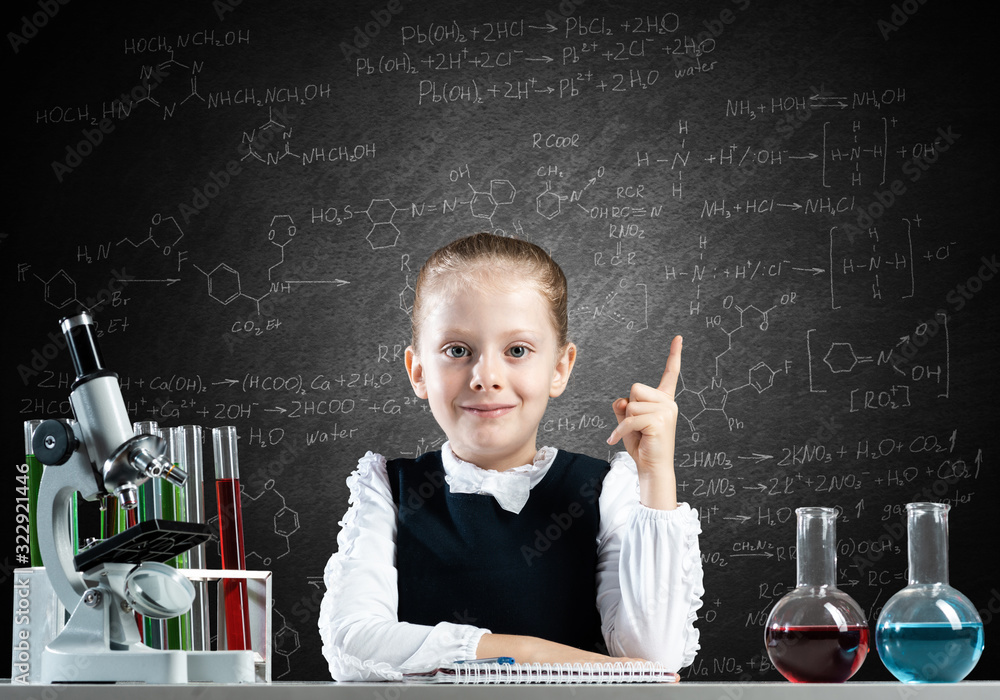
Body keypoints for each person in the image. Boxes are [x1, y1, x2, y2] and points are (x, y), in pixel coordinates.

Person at [318, 232, 704, 680]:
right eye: (457, 351)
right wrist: (529, 653)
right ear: (418, 371)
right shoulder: (387, 487)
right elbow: (354, 646)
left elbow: (653, 662)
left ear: (560, 368)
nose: (487, 377)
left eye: (517, 350)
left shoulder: (604, 490)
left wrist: (655, 475)